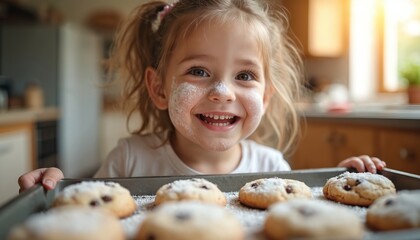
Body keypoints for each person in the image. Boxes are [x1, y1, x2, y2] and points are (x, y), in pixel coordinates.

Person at [18, 0, 385, 192]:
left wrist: (343, 181)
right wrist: (54, 190)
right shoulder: (129, 161)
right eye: (199, 72)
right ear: (159, 88)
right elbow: (89, 216)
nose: (222, 93)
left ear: (267, 97)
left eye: (244, 76)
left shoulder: (273, 169)